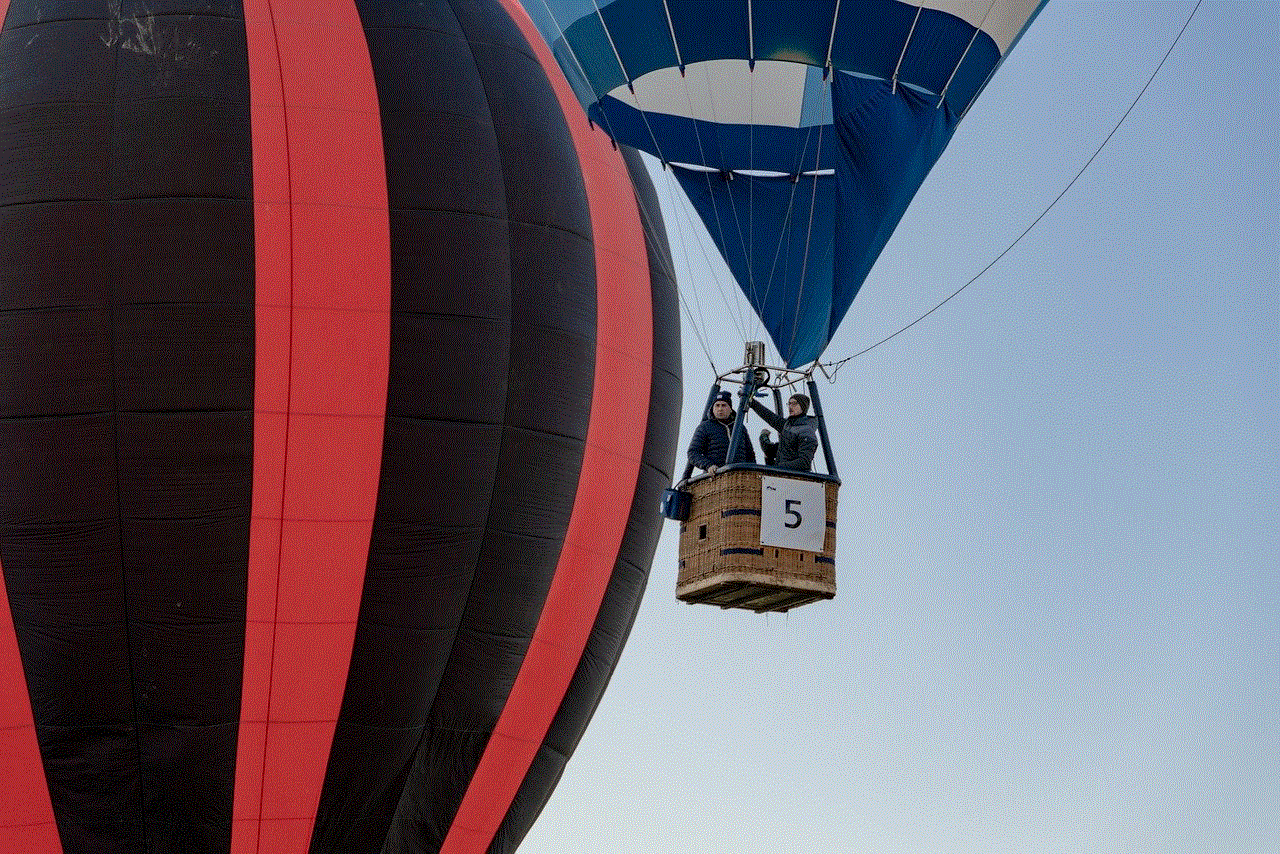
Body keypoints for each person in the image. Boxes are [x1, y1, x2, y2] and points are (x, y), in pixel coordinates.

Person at [687, 391, 756, 475]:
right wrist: (708, 466)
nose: (720, 409)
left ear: (730, 409)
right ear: (712, 409)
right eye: (717, 405)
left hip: (740, 477)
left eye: (723, 405)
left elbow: (750, 455)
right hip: (716, 477)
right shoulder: (705, 427)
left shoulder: (740, 427)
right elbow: (693, 453)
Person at [753, 393, 819, 471]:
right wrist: (752, 403)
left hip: (794, 478)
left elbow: (804, 463)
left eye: (794, 404)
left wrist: (778, 468)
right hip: (781, 475)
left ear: (803, 406)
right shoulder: (788, 426)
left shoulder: (806, 432)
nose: (790, 407)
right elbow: (770, 417)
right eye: (789, 404)